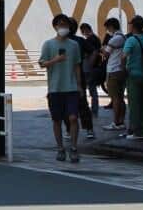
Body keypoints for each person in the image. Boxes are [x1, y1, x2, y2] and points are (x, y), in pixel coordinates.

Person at [39, 14, 82, 163]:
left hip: (71, 88)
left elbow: (77, 65)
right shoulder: (48, 44)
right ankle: (60, 148)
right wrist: (55, 60)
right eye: (61, 24)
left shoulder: (74, 45)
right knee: (56, 119)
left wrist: (79, 85)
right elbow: (42, 63)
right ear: (55, 26)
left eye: (66, 25)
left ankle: (74, 148)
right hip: (55, 88)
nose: (64, 27)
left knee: (73, 118)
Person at [123, 15, 143, 140]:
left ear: (133, 26)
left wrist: (124, 68)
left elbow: (123, 56)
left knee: (134, 104)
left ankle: (137, 131)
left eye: (130, 24)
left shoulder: (131, 40)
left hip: (133, 75)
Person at [68, 18, 94, 139]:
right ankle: (89, 129)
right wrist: (89, 63)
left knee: (68, 104)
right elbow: (93, 52)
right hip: (79, 75)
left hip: (69, 76)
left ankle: (69, 130)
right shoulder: (80, 41)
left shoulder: (71, 41)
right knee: (83, 103)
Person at [101, 17, 127, 131]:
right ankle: (121, 121)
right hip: (121, 70)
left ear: (111, 27)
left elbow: (106, 54)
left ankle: (116, 122)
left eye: (107, 28)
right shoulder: (124, 37)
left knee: (115, 98)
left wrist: (101, 49)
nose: (107, 30)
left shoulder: (114, 39)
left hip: (113, 70)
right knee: (120, 97)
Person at [79, 22, 103, 117]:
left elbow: (92, 53)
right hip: (95, 67)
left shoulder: (89, 40)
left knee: (87, 89)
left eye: (82, 31)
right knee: (93, 90)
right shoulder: (96, 39)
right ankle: (94, 109)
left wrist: (89, 64)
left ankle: (90, 110)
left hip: (88, 68)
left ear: (85, 30)